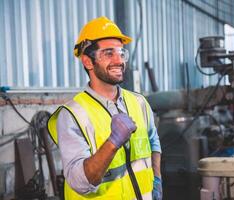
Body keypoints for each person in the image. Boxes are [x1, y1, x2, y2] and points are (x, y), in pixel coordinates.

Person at [47, 16, 162, 200]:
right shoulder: (72, 114)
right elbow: (79, 182)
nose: (119, 60)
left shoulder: (139, 102)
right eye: (108, 53)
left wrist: (157, 179)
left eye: (121, 53)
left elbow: (153, 141)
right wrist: (113, 142)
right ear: (88, 62)